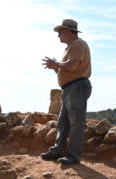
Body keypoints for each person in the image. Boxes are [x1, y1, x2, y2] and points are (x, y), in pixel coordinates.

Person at [40, 19, 92, 165]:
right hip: (70, 88)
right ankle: (58, 150)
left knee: (76, 123)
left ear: (69, 31)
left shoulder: (78, 44)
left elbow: (72, 66)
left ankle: (73, 156)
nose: (58, 35)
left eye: (60, 32)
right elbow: (67, 67)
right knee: (63, 123)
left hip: (77, 87)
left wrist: (56, 64)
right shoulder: (71, 47)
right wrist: (56, 67)